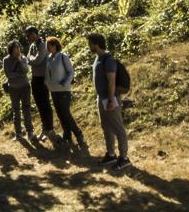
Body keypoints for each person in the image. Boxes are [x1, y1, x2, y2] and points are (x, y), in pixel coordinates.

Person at [87, 32, 131, 171]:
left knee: (118, 128)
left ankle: (124, 158)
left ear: (96, 44)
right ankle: (111, 154)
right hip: (102, 98)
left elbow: (111, 81)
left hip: (110, 98)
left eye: (90, 43)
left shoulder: (108, 59)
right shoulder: (98, 58)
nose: (89, 46)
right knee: (106, 127)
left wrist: (111, 100)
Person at [44, 37, 86, 149]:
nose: (48, 47)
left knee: (66, 114)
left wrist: (65, 83)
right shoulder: (48, 58)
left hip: (64, 90)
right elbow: (47, 74)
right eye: (47, 46)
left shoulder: (63, 56)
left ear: (55, 45)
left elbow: (71, 72)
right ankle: (67, 135)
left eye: (50, 45)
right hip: (53, 90)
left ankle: (78, 134)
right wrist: (47, 84)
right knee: (60, 114)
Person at [3, 40, 37, 142]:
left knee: (26, 109)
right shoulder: (6, 60)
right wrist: (19, 74)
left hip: (25, 87)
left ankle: (30, 132)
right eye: (15, 48)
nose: (18, 50)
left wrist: (19, 60)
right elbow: (9, 75)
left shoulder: (23, 58)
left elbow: (26, 70)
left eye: (18, 47)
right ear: (11, 49)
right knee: (16, 110)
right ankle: (18, 133)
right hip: (13, 88)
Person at [25, 26, 55, 140]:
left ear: (35, 33)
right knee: (39, 104)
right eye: (27, 35)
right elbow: (29, 59)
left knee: (45, 103)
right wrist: (32, 59)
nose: (28, 37)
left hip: (43, 78)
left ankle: (50, 128)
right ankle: (44, 129)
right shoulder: (32, 45)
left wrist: (31, 59)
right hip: (35, 78)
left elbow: (37, 60)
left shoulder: (43, 44)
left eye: (29, 35)